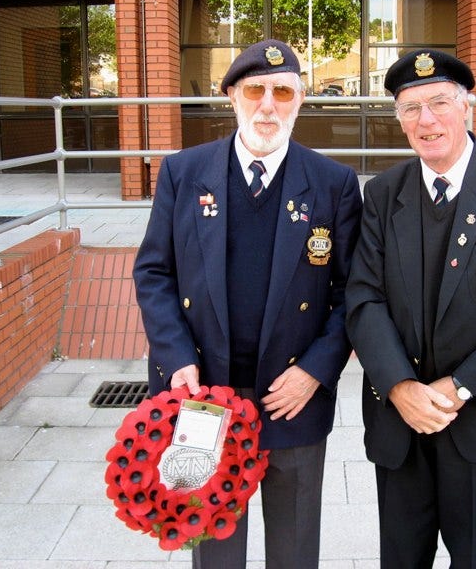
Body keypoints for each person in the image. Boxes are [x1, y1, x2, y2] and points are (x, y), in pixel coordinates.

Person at [133, 39, 362, 569]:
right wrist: (177, 357)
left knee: (295, 546)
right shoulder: (183, 173)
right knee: (213, 545)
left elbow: (352, 292)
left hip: (292, 396)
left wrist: (315, 371)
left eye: (283, 92)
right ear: (231, 96)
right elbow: (153, 271)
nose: (268, 104)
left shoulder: (333, 183)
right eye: (255, 90)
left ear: (300, 100)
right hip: (204, 392)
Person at [345, 49, 476, 569]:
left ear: (467, 107)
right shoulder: (381, 194)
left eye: (439, 102)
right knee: (400, 558)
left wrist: (454, 388)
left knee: (474, 558)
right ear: (398, 119)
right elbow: (363, 298)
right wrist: (401, 387)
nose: (426, 120)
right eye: (409, 107)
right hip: (400, 421)